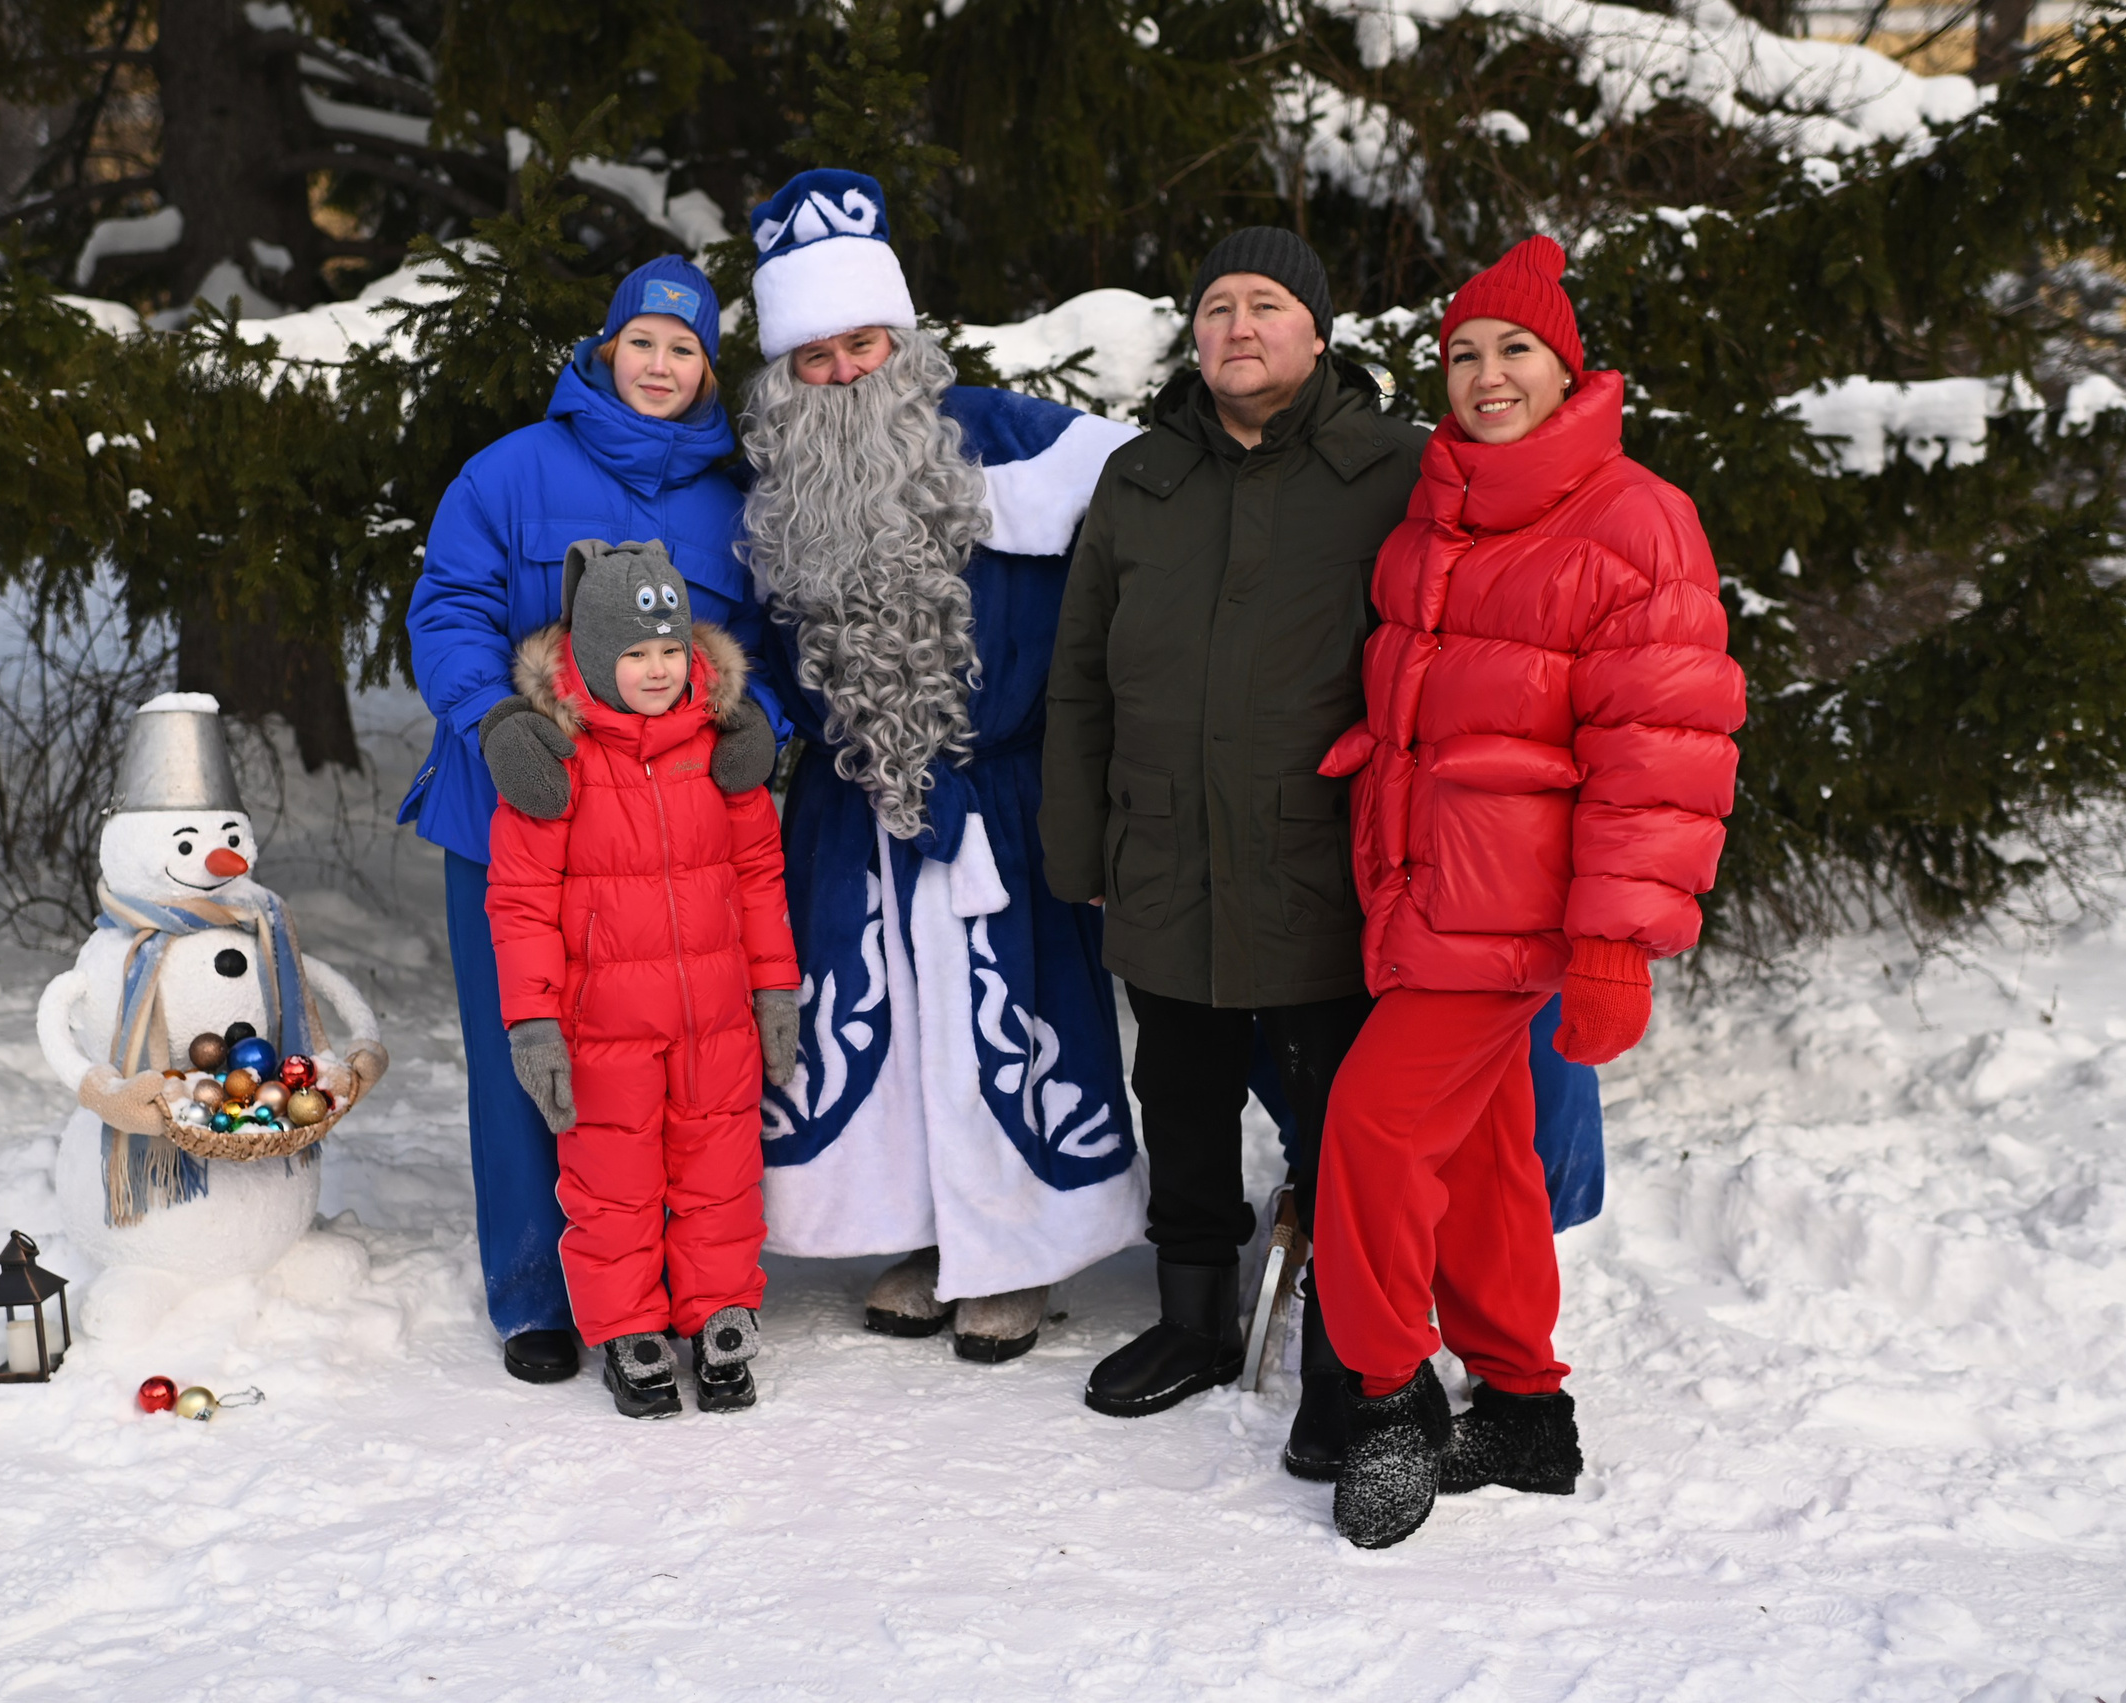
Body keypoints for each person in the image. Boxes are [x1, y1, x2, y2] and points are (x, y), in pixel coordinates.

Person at [1308, 235, 1746, 1548]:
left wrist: (1616, 940)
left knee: (1373, 1129)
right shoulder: (1438, 509)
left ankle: (1386, 1397)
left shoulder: (1633, 516)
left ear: (1568, 369)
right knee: (1487, 1153)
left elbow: (1660, 752)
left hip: (1516, 909)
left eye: (1515, 350)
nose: (1487, 375)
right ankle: (1522, 1406)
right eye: (1463, 353)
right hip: (1425, 888)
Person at [739, 168, 1149, 1360]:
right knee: (887, 1027)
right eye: (815, 356)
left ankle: (1016, 1252)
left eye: (862, 344)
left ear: (901, 340)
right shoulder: (777, 488)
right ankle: (924, 1236)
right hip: (850, 803)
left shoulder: (1020, 441)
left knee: (1006, 1017)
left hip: (1001, 796)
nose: (842, 374)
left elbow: (1161, 521)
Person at [1041, 228, 1427, 1431]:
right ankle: (1194, 1316)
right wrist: (1078, 844)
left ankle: (1346, 1348)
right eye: (1217, 307)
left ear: (1318, 330)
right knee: (1181, 1093)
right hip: (1165, 849)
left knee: (1337, 1113)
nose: (1238, 327)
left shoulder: (1400, 471)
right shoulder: (1140, 477)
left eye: (1266, 304)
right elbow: (1080, 677)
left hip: (1326, 855)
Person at [402, 256, 785, 1385]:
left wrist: (762, 721)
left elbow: (775, 640)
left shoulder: (738, 500)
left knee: (676, 1073)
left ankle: (666, 1293)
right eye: (642, 343)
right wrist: (491, 720)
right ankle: (535, 1293)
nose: (661, 365)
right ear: (607, 348)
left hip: (668, 839)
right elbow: (449, 606)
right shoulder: (510, 471)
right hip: (514, 814)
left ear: (708, 368)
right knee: (527, 1057)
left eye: (685, 349)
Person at [484, 540, 799, 1418]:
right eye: (634, 653)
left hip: (716, 1020)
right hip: (604, 1027)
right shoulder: (557, 759)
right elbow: (520, 903)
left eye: (670, 649)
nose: (659, 670)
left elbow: (759, 877)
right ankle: (629, 1327)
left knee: (721, 1175)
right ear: (591, 656)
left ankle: (721, 1313)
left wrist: (774, 988)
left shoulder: (720, 747)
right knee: (614, 1186)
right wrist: (533, 1022)